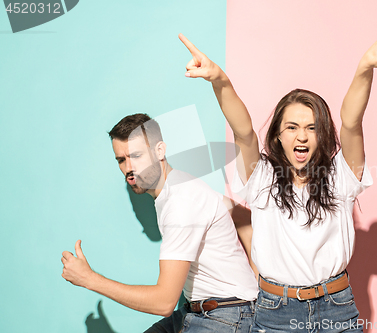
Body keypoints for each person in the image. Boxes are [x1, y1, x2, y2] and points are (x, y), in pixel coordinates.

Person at [179, 8, 377, 332]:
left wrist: (366, 66)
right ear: (279, 135)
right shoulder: (262, 179)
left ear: (322, 134)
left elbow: (352, 121)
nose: (302, 136)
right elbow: (242, 130)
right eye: (292, 127)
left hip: (335, 307)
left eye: (311, 128)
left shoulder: (340, 176)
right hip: (275, 311)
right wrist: (219, 80)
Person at [61, 113, 259, 333]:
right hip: (199, 311)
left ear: (159, 151)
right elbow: (245, 219)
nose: (129, 168)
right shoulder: (182, 185)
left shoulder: (181, 203)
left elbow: (164, 302)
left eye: (136, 156)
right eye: (121, 160)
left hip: (226, 316)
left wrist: (90, 279)